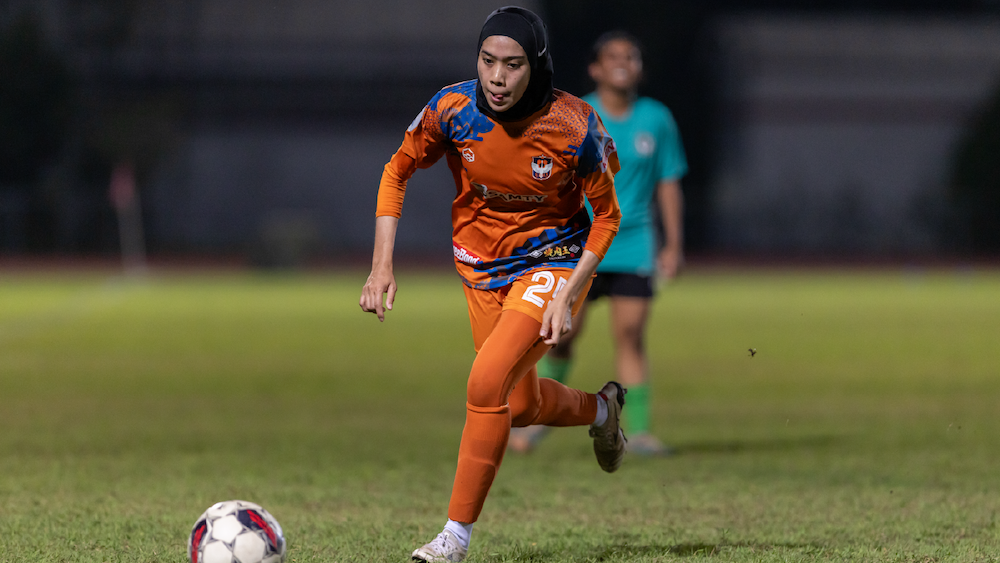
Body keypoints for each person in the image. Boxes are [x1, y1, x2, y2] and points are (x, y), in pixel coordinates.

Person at [358, 7, 627, 563]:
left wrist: (569, 291)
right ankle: (603, 411)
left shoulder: (575, 125)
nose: (497, 78)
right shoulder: (452, 108)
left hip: (552, 264)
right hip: (481, 270)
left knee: (484, 384)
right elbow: (396, 171)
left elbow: (607, 217)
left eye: (513, 64)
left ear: (537, 66)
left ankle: (454, 537)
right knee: (520, 405)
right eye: (488, 61)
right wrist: (381, 265)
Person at [509, 30, 688, 457]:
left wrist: (673, 244)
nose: (623, 62)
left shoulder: (657, 119)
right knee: (560, 334)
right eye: (613, 56)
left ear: (640, 68)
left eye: (631, 56)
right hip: (580, 243)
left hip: (634, 244)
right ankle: (540, 418)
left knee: (631, 335)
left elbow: (668, 182)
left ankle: (639, 432)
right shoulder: (577, 114)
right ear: (595, 68)